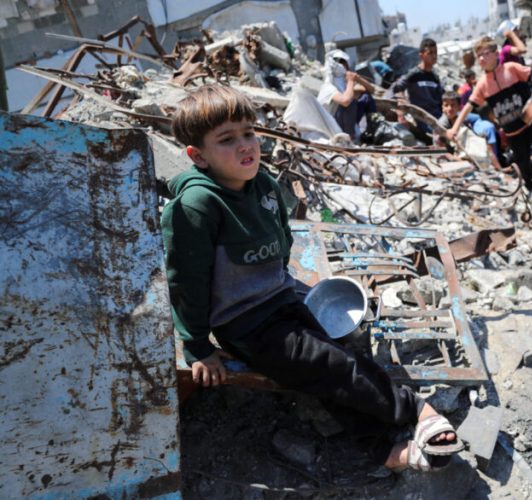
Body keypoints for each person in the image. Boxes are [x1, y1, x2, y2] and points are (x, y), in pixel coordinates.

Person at [161, 84, 463, 472]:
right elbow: (185, 281)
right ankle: (415, 408)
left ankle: (381, 451)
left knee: (335, 354)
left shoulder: (263, 185)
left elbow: (283, 237)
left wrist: (286, 286)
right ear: (197, 156)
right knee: (329, 363)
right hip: (246, 322)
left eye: (248, 133)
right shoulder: (197, 206)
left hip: (280, 297)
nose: (244, 145)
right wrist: (198, 346)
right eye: (227, 139)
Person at [446, 36, 532, 191]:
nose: (482, 58)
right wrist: (454, 128)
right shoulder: (482, 84)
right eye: (479, 56)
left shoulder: (511, 68)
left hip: (529, 120)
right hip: (513, 132)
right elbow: (468, 106)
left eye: (486, 53)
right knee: (523, 164)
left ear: (496, 54)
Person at [385, 38, 445, 142]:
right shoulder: (413, 74)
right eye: (430, 53)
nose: (434, 56)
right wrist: (399, 112)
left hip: (439, 118)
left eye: (435, 52)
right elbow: (393, 89)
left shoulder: (435, 77)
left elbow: (442, 100)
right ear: (421, 55)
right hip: (423, 119)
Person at [317, 49, 377, 141]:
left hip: (346, 119)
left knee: (366, 97)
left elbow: (371, 90)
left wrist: (357, 78)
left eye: (344, 62)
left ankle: (373, 129)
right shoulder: (328, 86)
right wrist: (350, 81)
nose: (342, 65)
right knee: (350, 102)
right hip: (333, 125)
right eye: (339, 62)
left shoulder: (344, 84)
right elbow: (345, 101)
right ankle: (349, 137)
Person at [438, 92, 502, 169]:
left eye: (453, 105)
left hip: (467, 149)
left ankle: (499, 169)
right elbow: (441, 150)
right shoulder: (442, 124)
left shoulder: (461, 117)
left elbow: (478, 119)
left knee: (486, 146)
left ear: (459, 107)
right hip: (454, 154)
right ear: (442, 107)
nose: (449, 108)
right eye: (446, 105)